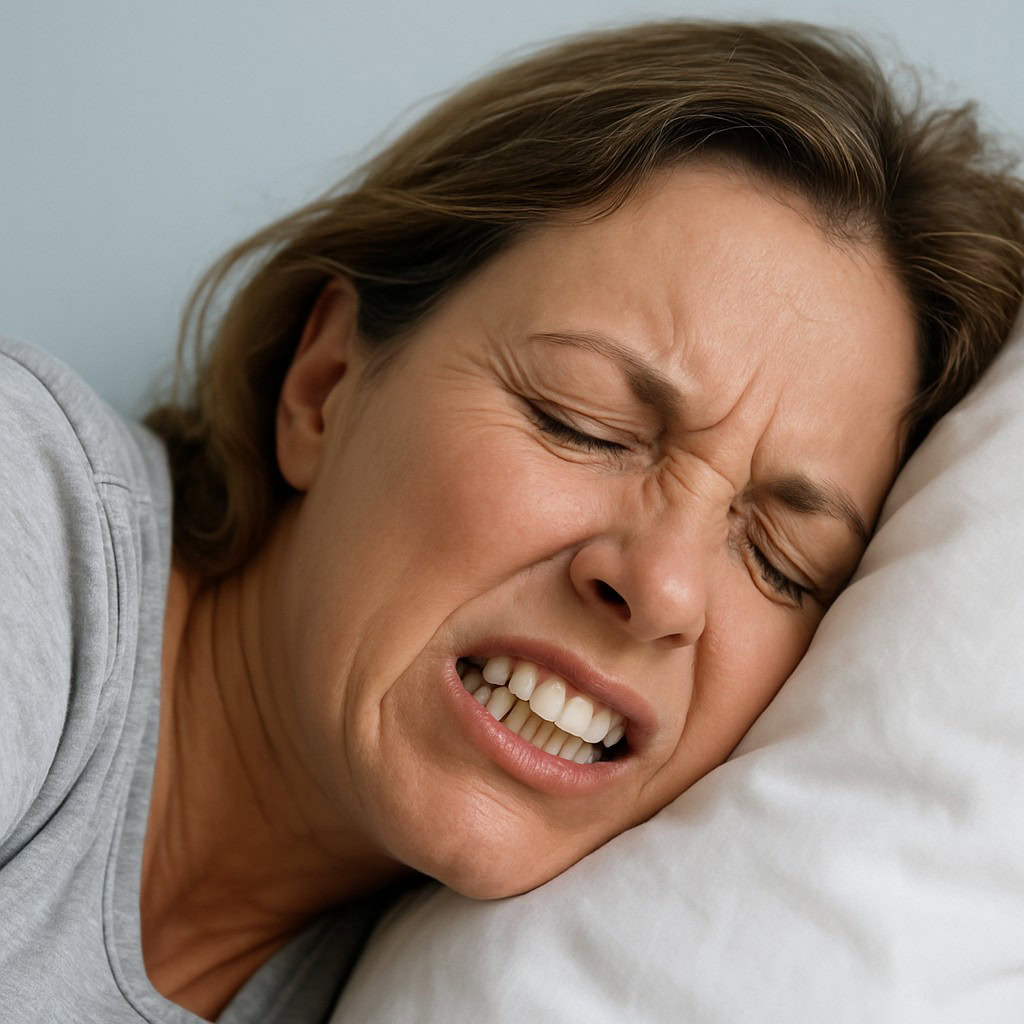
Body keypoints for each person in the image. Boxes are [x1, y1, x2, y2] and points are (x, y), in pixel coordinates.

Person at [2, 18, 1022, 1024]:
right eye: (581, 422)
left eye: (780, 560)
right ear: (324, 385)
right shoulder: (31, 518)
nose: (662, 586)